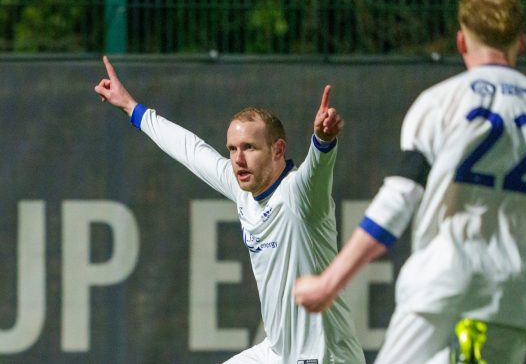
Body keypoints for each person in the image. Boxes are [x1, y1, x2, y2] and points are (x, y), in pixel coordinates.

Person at [294, 0, 526, 363]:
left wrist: (329, 283)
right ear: (521, 43)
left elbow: (398, 200)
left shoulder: (440, 103)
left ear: (462, 41)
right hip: (511, 299)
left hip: (442, 287)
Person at [94, 56, 365, 364]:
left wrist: (323, 140)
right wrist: (130, 106)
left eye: (249, 147)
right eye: (233, 149)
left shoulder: (301, 194)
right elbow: (189, 149)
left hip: (326, 357)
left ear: (278, 149)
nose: (238, 159)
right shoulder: (242, 189)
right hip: (277, 353)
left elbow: (319, 167)